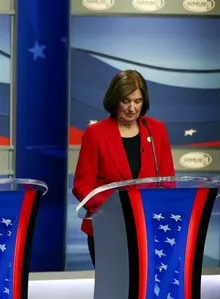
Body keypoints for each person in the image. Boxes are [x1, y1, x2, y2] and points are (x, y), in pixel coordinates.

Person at [72, 69, 175, 266]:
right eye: (125, 101)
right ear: (114, 100)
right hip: (108, 227)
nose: (132, 108)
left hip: (149, 227)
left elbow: (167, 182)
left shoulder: (156, 130)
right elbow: (82, 186)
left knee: (143, 288)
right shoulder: (96, 133)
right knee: (114, 290)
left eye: (137, 101)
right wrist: (117, 209)